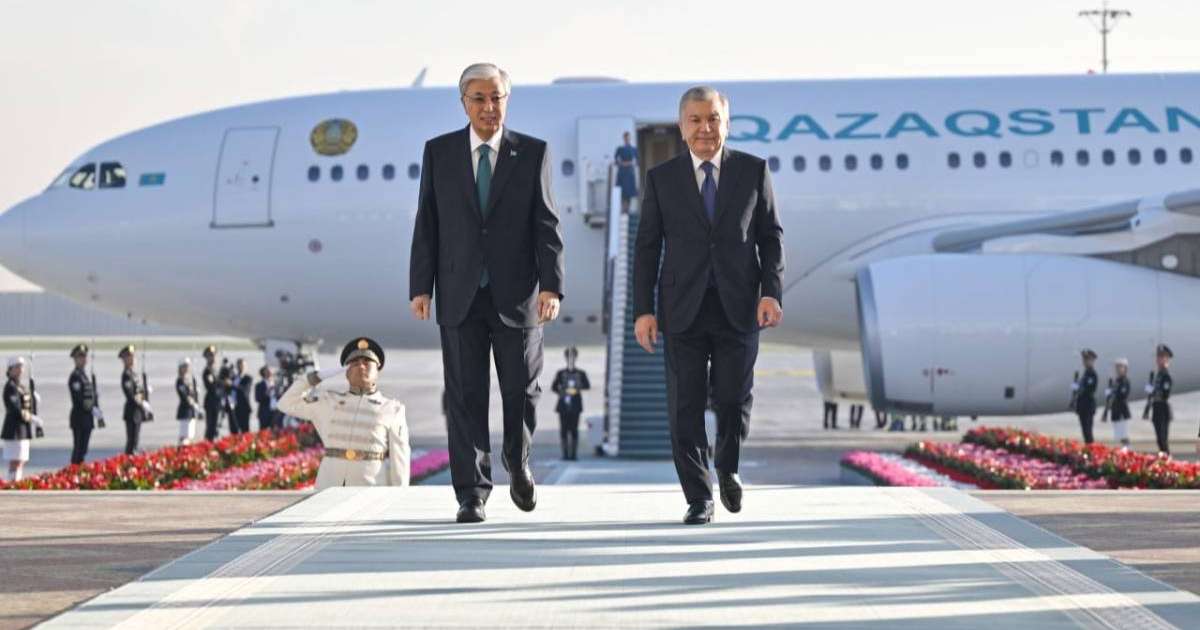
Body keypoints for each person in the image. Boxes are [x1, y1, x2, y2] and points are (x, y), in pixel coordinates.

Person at [409, 62, 564, 524]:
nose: (488, 107)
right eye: (479, 98)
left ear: (506, 101)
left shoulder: (532, 153)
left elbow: (547, 225)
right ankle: (471, 493)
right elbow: (428, 224)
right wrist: (422, 286)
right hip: (459, 294)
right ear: (464, 103)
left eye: (496, 98)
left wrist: (552, 285)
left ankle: (517, 461)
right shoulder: (439, 153)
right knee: (465, 397)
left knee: (522, 391)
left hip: (518, 296)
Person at [633, 86, 785, 525]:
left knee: (735, 398)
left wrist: (771, 291)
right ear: (682, 127)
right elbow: (647, 248)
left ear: (726, 122)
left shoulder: (752, 172)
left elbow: (770, 237)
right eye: (695, 120)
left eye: (713, 119)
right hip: (682, 309)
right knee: (685, 404)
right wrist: (644, 310)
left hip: (739, 305)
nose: (705, 129)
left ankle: (728, 465)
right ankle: (699, 496)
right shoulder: (662, 179)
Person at [278, 337, 410, 489]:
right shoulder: (328, 402)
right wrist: (314, 378)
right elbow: (286, 403)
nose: (361, 366)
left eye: (367, 363)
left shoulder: (392, 409)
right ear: (346, 373)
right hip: (329, 485)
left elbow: (400, 458)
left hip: (371, 488)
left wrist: (399, 495)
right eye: (354, 363)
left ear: (377, 371)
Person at [3, 357, 43, 481]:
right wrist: (32, 418)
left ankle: (16, 482)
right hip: (14, 429)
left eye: (21, 367)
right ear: (10, 370)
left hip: (22, 429)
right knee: (15, 460)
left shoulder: (20, 386)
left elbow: (26, 404)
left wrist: (33, 399)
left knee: (21, 460)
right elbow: (15, 409)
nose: (20, 370)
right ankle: (11, 484)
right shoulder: (10, 387)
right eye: (17, 367)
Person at [551, 346, 591, 460]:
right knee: (563, 429)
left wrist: (577, 388)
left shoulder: (581, 373)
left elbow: (587, 385)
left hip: (575, 405)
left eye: (573, 356)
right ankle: (565, 454)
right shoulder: (560, 373)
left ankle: (573, 454)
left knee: (574, 429)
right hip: (563, 404)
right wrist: (563, 391)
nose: (570, 359)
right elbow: (554, 387)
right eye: (568, 356)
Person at [67, 344, 98, 464]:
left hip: (87, 418)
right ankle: (73, 473)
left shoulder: (84, 375)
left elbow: (89, 395)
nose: (83, 359)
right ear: (75, 359)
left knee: (83, 450)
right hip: (79, 417)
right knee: (78, 449)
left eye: (84, 356)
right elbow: (79, 398)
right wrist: (92, 409)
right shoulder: (75, 377)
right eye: (80, 357)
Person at [119, 345, 150, 455]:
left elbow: (139, 391)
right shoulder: (126, 375)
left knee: (135, 440)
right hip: (132, 411)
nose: (132, 359)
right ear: (124, 359)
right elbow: (131, 395)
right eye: (129, 357)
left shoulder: (134, 374)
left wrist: (145, 394)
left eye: (132, 356)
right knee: (132, 442)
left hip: (137, 411)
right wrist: (142, 402)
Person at [1147, 344, 1173, 455]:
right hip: (1156, 407)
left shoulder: (1166, 376)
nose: (1159, 359)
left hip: (1162, 408)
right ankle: (1164, 460)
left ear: (1167, 359)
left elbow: (1165, 394)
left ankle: (1167, 461)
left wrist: (1152, 391)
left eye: (1162, 357)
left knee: (1163, 439)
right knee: (1159, 439)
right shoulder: (1157, 375)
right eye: (1158, 357)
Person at [1072, 349, 1099, 444]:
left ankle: (1091, 451)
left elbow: (1089, 390)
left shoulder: (1092, 374)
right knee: (1085, 431)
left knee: (1088, 431)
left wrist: (1079, 388)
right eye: (1084, 360)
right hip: (1083, 406)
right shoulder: (1086, 374)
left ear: (1092, 361)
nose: (1085, 362)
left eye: (1087, 360)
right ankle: (1089, 449)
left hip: (1087, 406)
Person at [1107, 358, 1132, 447]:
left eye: (1120, 367)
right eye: (1117, 367)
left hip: (1122, 410)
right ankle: (1124, 450)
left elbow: (1123, 395)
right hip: (1116, 410)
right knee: (1118, 434)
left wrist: (1113, 392)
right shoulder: (1116, 381)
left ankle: (1128, 450)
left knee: (1123, 434)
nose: (1118, 369)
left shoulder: (1125, 381)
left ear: (1125, 368)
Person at [175, 358, 200, 445]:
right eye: (185, 366)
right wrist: (193, 403)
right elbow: (184, 396)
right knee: (185, 435)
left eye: (188, 366)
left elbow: (193, 394)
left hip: (191, 411)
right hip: (185, 410)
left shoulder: (189, 380)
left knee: (190, 435)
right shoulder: (180, 381)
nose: (187, 368)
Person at [201, 345, 222, 441]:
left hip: (217, 402)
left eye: (214, 355)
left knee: (215, 427)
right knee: (211, 427)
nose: (213, 358)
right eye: (210, 356)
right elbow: (212, 387)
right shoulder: (207, 371)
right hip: (211, 402)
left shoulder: (216, 370)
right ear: (207, 358)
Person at [615, 131, 639, 213]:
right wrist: (622, 163)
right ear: (624, 138)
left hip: (629, 173)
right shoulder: (620, 149)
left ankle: (627, 210)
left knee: (628, 193)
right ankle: (623, 210)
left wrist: (629, 163)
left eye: (628, 138)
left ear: (630, 138)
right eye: (626, 138)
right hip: (622, 173)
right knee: (622, 193)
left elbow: (636, 161)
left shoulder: (633, 149)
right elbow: (616, 160)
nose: (627, 139)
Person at [232, 358, 253, 434]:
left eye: (242, 366)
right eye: (239, 365)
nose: (241, 367)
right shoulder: (233, 377)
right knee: (234, 430)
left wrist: (232, 385)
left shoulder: (248, 378)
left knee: (245, 430)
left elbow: (244, 390)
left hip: (244, 407)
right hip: (234, 407)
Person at [255, 365, 278, 431]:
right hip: (264, 413)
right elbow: (257, 398)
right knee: (263, 433)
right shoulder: (259, 385)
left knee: (276, 433)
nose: (270, 372)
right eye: (267, 370)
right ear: (264, 372)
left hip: (275, 413)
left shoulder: (276, 383)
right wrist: (266, 393)